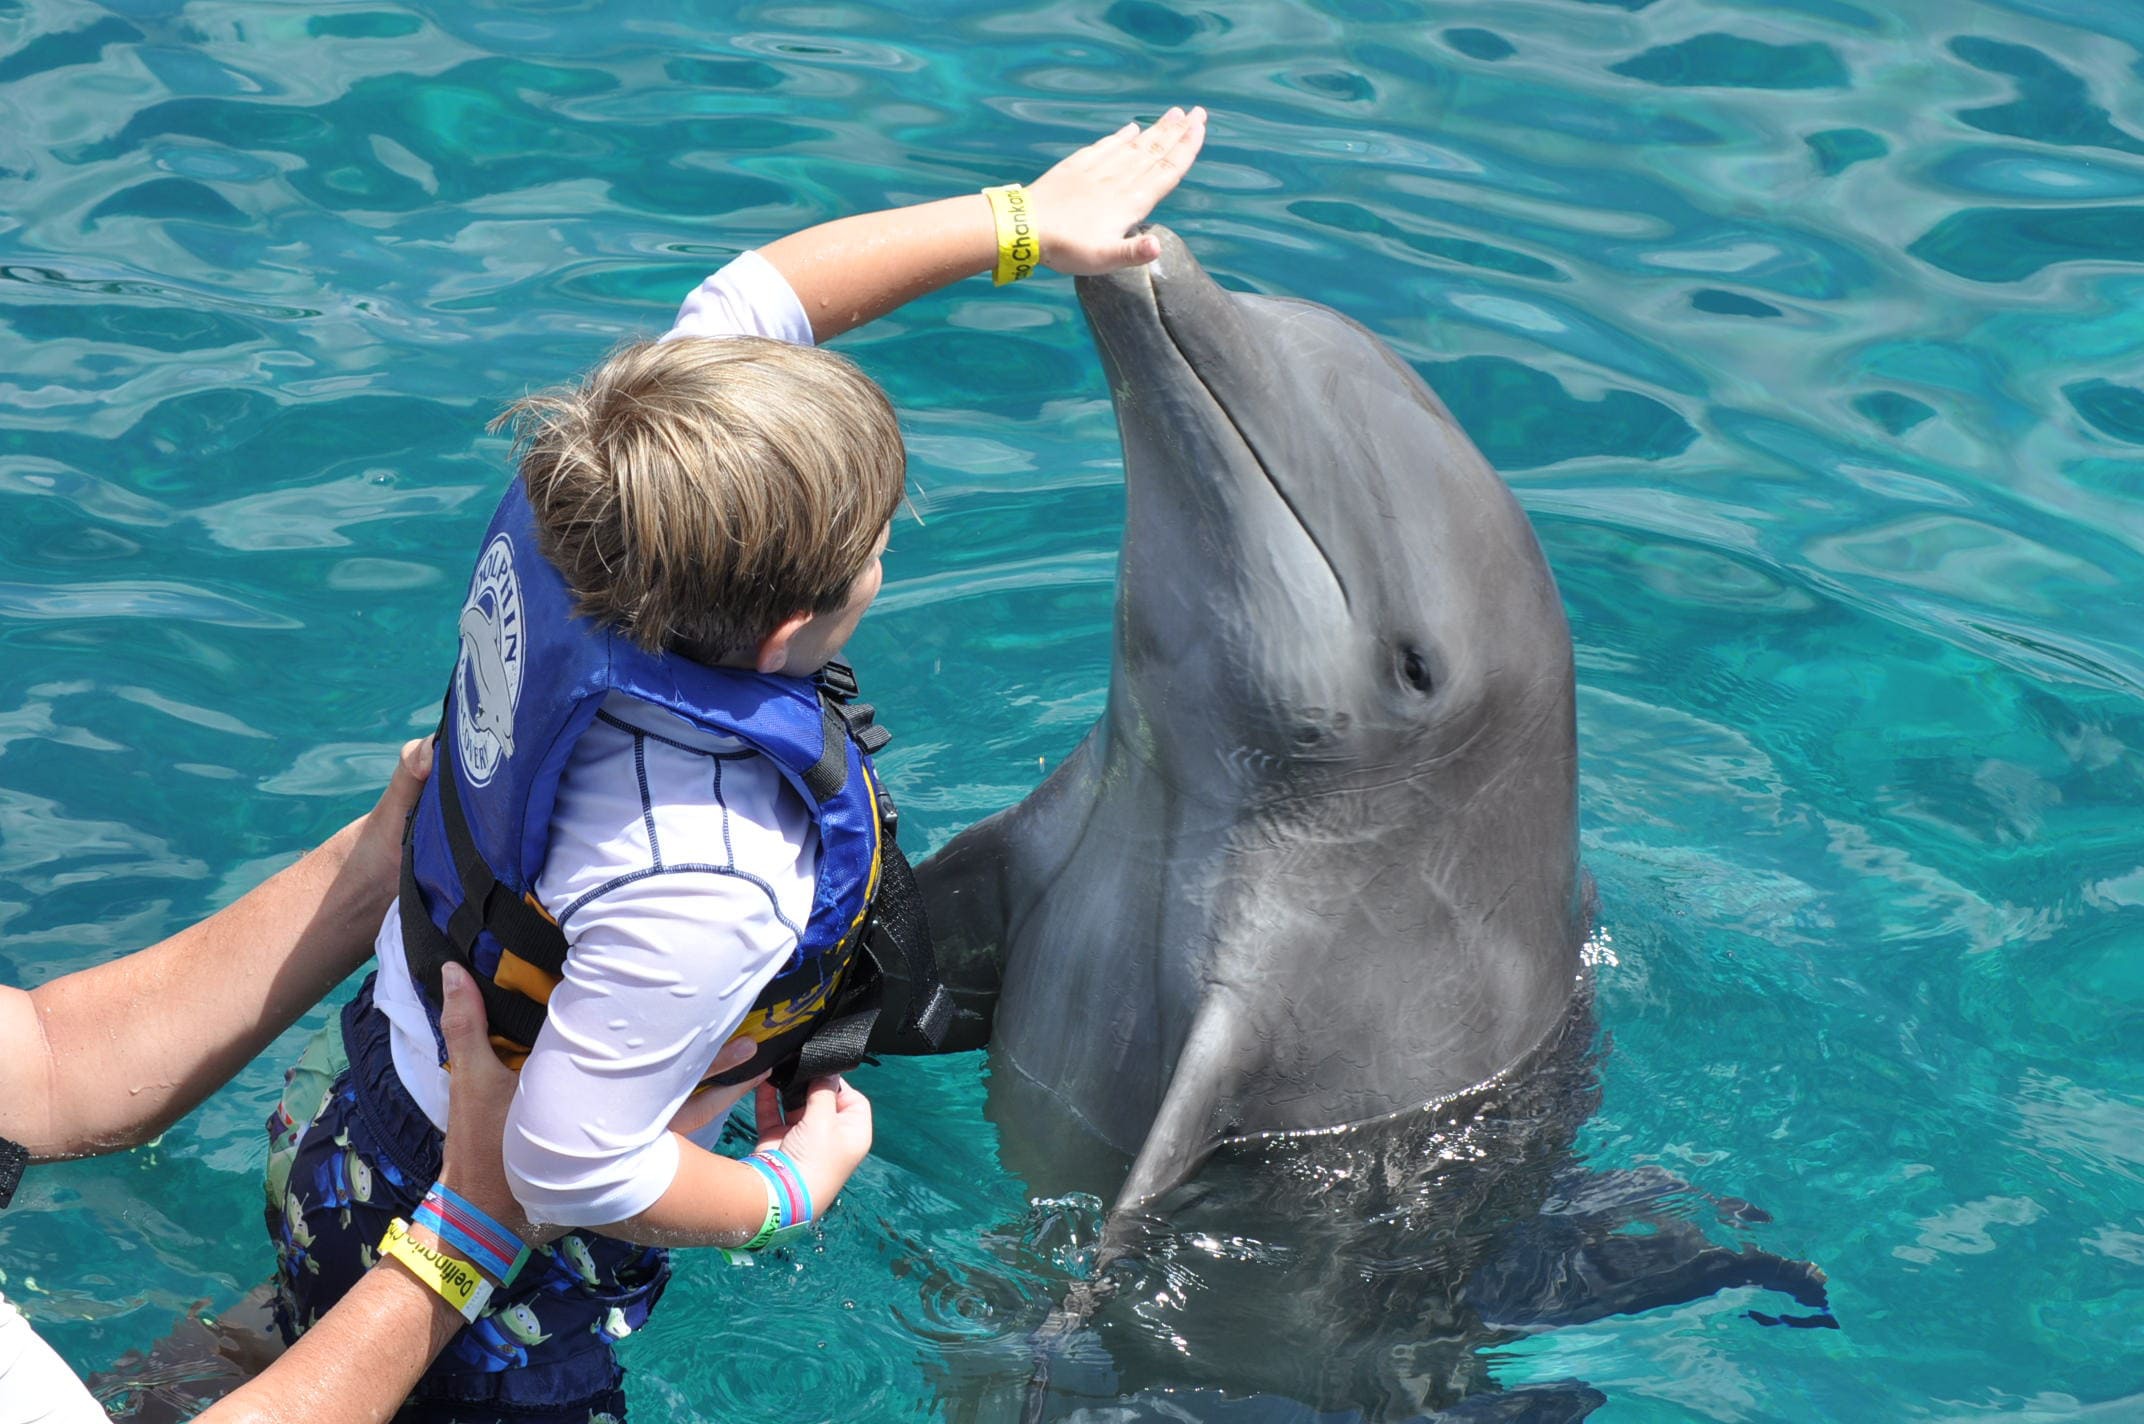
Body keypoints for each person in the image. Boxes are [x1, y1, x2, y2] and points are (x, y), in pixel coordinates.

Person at [269, 107, 1209, 1422]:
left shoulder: (610, 502)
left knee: (296, 1328)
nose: (890, 559)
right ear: (786, 632)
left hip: (370, 1092)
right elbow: (565, 1165)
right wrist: (781, 1197)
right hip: (494, 1268)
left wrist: (1020, 223)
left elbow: (758, 298)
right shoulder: (718, 860)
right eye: (878, 547)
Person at [0, 742, 665, 1424]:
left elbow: (51, 1064)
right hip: (442, 1194)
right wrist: (470, 1234)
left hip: (349, 1152)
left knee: (291, 1329)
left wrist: (376, 871)